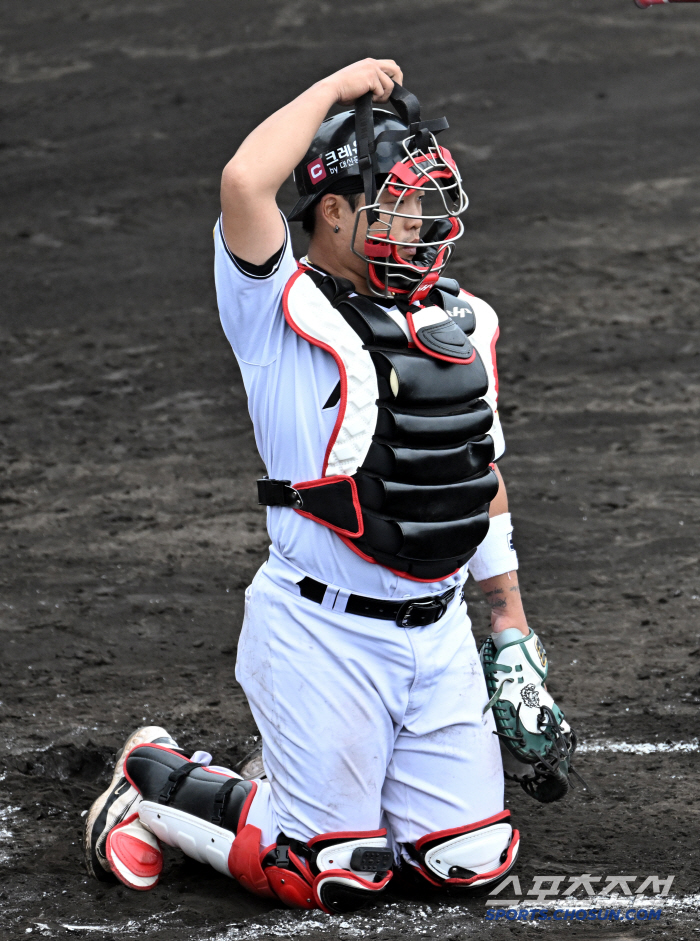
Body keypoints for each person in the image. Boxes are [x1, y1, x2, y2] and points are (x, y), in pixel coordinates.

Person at [84, 58, 573, 915]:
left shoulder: (461, 322)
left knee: (469, 862)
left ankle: (326, 784)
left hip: (438, 639)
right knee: (331, 872)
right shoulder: (275, 309)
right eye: (402, 201)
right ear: (338, 211)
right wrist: (336, 90)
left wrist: (510, 631)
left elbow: (477, 475)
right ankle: (155, 783)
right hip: (321, 633)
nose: (424, 222)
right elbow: (245, 180)